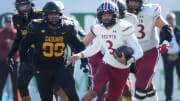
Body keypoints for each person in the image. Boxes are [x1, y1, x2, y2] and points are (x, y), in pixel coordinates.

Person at [70, 1, 143, 101]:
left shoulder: (124, 27)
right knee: (92, 92)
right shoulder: (99, 28)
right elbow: (95, 48)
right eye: (104, 15)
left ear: (115, 15)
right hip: (106, 65)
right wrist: (80, 55)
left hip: (122, 69)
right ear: (100, 16)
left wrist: (128, 61)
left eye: (108, 14)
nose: (106, 17)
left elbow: (139, 51)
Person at [20, 1, 88, 101]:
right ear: (45, 15)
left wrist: (84, 61)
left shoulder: (67, 27)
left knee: (72, 94)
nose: (54, 17)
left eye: (56, 14)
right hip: (42, 67)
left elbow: (80, 46)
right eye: (51, 14)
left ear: (61, 15)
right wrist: (24, 61)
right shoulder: (37, 27)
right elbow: (24, 45)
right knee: (47, 98)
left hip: (60, 66)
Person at [126, 0, 173, 101]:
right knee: (147, 85)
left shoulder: (149, 12)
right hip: (135, 53)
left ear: (141, 3)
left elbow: (166, 28)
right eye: (131, 2)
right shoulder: (123, 13)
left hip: (150, 50)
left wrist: (166, 42)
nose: (134, 5)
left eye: (136, 2)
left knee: (140, 84)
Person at [7, 0, 43, 101]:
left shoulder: (40, 15)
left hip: (43, 56)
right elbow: (19, 37)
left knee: (48, 88)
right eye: (21, 7)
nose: (24, 10)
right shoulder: (16, 18)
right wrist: (10, 55)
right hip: (28, 56)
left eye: (26, 6)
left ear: (31, 4)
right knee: (21, 85)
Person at [160, 11, 180, 101]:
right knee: (168, 79)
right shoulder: (162, 32)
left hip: (179, 58)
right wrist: (167, 55)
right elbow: (160, 45)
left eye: (170, 18)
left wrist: (178, 55)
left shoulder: (179, 31)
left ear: (174, 19)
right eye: (167, 18)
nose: (169, 20)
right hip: (167, 59)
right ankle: (168, 98)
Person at [0, 15, 19, 101]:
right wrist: (7, 42)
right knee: (1, 84)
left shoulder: (17, 33)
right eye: (7, 22)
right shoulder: (1, 32)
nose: (9, 24)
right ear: (4, 23)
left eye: (10, 22)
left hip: (15, 62)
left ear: (13, 23)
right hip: (3, 62)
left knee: (16, 85)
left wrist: (7, 42)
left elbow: (17, 44)